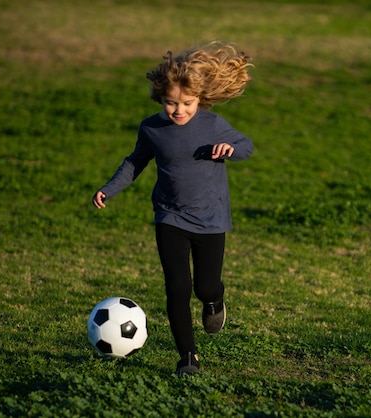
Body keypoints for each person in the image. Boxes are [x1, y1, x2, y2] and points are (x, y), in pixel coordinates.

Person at [92, 41, 254, 375]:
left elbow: (246, 146)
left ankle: (213, 301)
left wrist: (229, 150)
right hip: (170, 216)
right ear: (160, 97)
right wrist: (109, 189)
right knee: (177, 287)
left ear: (200, 99)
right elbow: (134, 163)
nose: (178, 111)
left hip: (211, 219)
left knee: (205, 286)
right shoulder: (152, 129)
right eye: (171, 103)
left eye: (187, 104)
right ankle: (188, 357)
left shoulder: (212, 125)